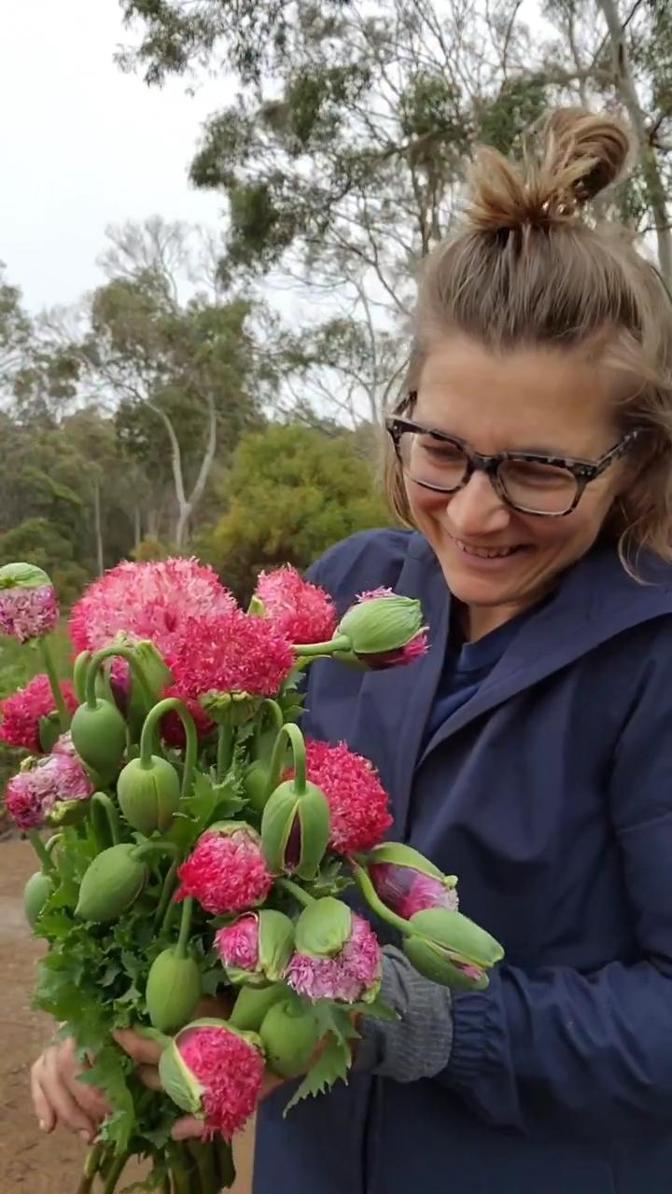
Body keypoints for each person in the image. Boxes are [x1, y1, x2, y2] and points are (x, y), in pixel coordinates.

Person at [30, 107, 672, 1193]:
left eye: (539, 471)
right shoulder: (343, 596)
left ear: (636, 457)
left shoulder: (652, 663)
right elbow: (229, 872)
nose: (474, 514)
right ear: (405, 412)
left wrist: (422, 1022)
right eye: (442, 451)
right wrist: (141, 1029)